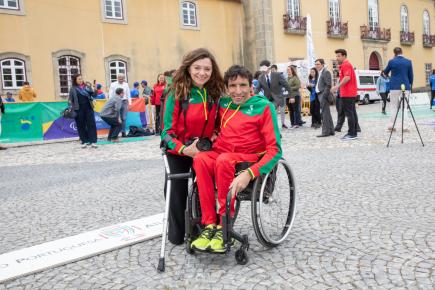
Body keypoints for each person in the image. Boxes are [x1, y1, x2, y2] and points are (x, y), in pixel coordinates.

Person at [190, 65, 282, 252]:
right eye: (233, 86)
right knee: (200, 159)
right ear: (227, 87)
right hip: (223, 152)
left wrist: (250, 173)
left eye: (243, 85)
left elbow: (275, 150)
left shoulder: (264, 107)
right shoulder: (224, 104)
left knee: (224, 160)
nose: (238, 91)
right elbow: (215, 127)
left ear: (251, 86)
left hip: (247, 157)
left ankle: (225, 223)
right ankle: (209, 225)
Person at [160, 48, 224, 245]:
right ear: (188, 68)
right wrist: (184, 149)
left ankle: (206, 226)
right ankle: (178, 232)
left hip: (204, 149)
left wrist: (213, 136)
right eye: (197, 68)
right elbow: (166, 133)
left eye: (207, 69)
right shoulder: (176, 92)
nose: (202, 73)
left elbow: (219, 124)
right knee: (176, 191)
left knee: (206, 189)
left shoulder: (215, 92)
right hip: (179, 149)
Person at [383, 47, 413, 132]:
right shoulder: (408, 62)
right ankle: (405, 127)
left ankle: (392, 126)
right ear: (402, 52)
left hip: (394, 86)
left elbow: (385, 72)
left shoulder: (392, 61)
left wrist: (389, 76)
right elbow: (411, 76)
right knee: (404, 107)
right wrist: (410, 85)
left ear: (394, 53)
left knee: (393, 107)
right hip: (405, 86)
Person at [255, 60, 292, 129]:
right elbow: (257, 88)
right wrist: (252, 95)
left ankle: (275, 129)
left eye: (264, 69)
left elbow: (286, 85)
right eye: (262, 69)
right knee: (269, 114)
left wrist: (291, 96)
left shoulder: (277, 75)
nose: (263, 71)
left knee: (272, 111)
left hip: (278, 98)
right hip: (268, 99)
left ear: (269, 68)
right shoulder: (261, 77)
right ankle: (273, 129)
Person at [331, 49, 359, 140]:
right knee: (352, 113)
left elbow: (347, 77)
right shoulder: (344, 65)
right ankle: (354, 132)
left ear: (344, 56)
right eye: (336, 56)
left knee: (349, 113)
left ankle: (351, 133)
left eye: (339, 56)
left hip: (348, 93)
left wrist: (337, 87)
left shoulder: (346, 64)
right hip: (349, 92)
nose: (337, 58)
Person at [68, 74, 98, 148]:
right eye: (79, 79)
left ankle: (93, 141)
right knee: (81, 125)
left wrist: (95, 89)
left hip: (88, 108)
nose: (81, 80)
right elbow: (70, 100)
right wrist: (70, 107)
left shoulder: (87, 87)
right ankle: (84, 141)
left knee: (91, 124)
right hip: (78, 109)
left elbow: (94, 95)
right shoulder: (73, 89)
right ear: (75, 80)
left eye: (81, 79)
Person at [315, 59, 334, 137]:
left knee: (324, 114)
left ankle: (325, 132)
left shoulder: (326, 72)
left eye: (318, 64)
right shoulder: (320, 72)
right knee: (327, 113)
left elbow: (328, 85)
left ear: (322, 64)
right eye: (316, 64)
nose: (316, 66)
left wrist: (324, 96)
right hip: (320, 94)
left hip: (323, 95)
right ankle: (331, 130)